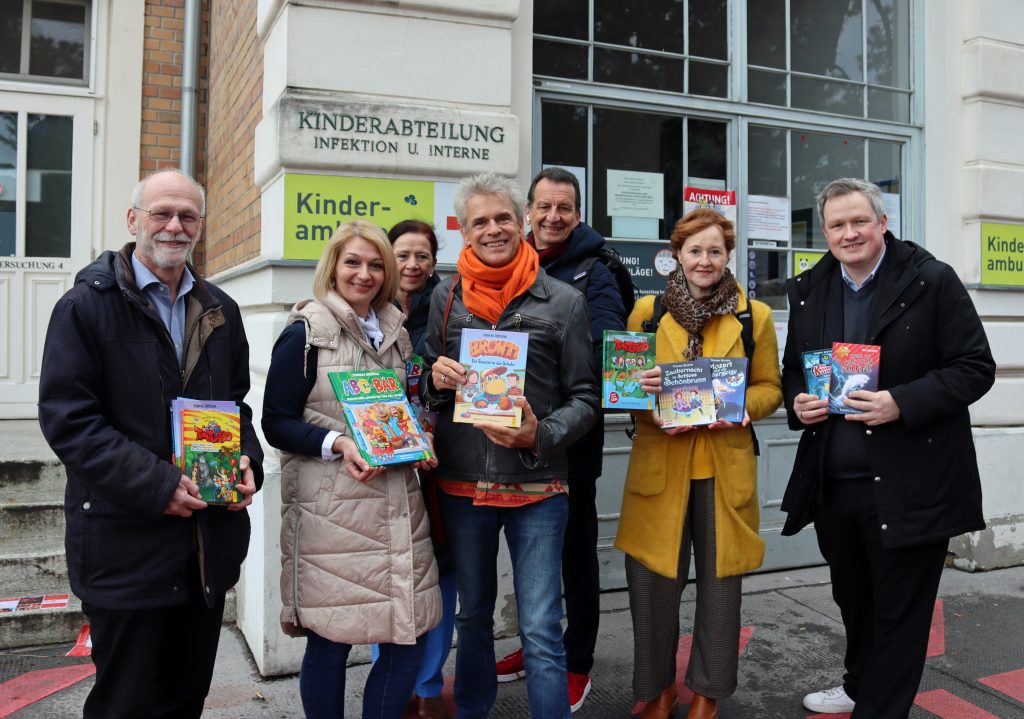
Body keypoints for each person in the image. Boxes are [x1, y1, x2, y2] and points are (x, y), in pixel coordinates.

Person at [37, 169, 264, 719]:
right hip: (126, 542)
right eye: (161, 213)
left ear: (201, 227)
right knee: (126, 703)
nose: (174, 225)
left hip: (204, 548)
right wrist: (159, 484)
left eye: (187, 216)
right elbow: (69, 421)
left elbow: (234, 408)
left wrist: (246, 464)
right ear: (133, 220)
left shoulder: (221, 311)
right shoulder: (85, 307)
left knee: (185, 699)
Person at [781, 178, 995, 718]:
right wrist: (799, 403)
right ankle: (858, 684)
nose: (849, 233)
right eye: (837, 224)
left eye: (859, 221)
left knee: (901, 613)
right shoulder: (810, 289)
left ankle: (878, 709)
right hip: (835, 486)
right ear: (824, 231)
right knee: (855, 601)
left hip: (910, 483)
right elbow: (793, 372)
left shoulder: (931, 281)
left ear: (882, 223)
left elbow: (975, 368)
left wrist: (902, 401)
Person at [420, 172, 599, 719]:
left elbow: (588, 399)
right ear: (463, 231)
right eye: (480, 221)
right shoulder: (444, 298)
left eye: (503, 218)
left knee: (541, 625)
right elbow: (425, 376)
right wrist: (436, 377)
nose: (493, 229)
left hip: (539, 484)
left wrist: (538, 434)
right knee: (472, 615)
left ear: (522, 221)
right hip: (463, 482)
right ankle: (474, 710)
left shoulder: (564, 301)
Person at [262, 220, 442, 719]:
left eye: (374, 264)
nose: (364, 274)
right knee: (330, 644)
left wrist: (418, 438)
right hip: (334, 517)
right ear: (332, 267)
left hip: (398, 509)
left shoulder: (396, 334)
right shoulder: (305, 333)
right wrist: (339, 442)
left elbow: (401, 409)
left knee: (407, 637)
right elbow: (275, 422)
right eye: (352, 263)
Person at [615, 208, 782, 719]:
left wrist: (735, 408)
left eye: (714, 251)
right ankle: (657, 690)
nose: (704, 260)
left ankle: (708, 693)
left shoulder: (755, 316)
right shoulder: (646, 313)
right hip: (660, 468)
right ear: (675, 256)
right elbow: (623, 385)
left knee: (721, 586)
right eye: (694, 250)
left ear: (727, 256)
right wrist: (638, 391)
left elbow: (771, 390)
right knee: (650, 586)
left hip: (722, 468)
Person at [494, 166, 626, 712]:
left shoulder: (597, 269)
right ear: (528, 211)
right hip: (508, 436)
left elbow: (604, 351)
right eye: (543, 207)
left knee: (573, 555)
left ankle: (576, 662)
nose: (552, 217)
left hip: (571, 441)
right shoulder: (510, 261)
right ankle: (537, 645)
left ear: (578, 214)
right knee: (531, 554)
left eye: (564, 209)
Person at [385, 220, 455, 719]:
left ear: (434, 260)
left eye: (422, 256)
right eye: (402, 255)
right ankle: (392, 683)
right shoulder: (365, 307)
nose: (412, 265)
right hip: (381, 462)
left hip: (438, 460)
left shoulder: (451, 308)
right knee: (385, 575)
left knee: (440, 576)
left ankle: (429, 688)